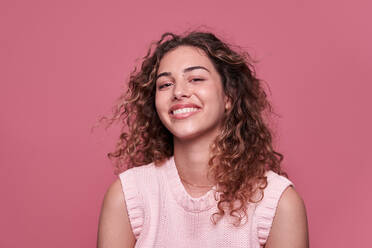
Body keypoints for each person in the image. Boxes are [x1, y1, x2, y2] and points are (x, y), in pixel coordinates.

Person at [97, 30, 309, 248]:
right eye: (165, 84)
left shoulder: (278, 203)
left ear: (229, 96)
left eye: (196, 79)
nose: (178, 92)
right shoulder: (127, 196)